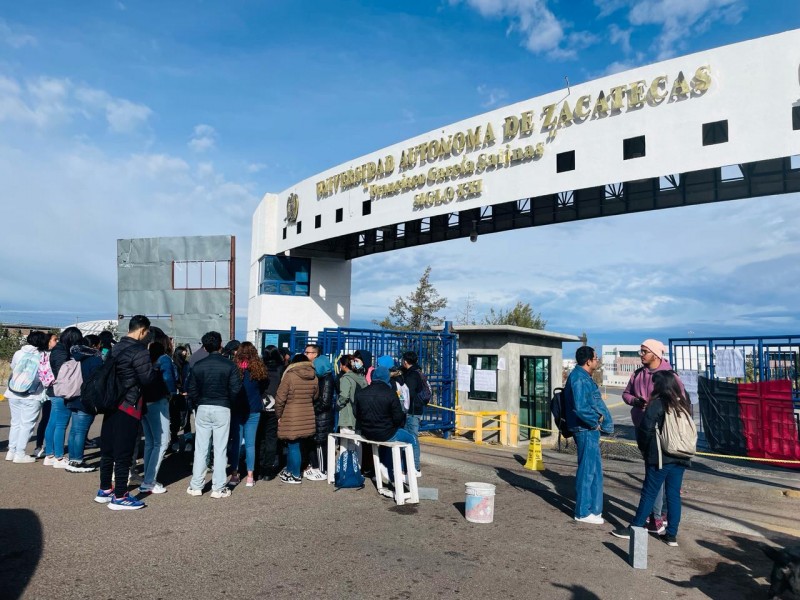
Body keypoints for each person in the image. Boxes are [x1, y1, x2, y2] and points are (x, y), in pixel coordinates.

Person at [612, 370, 692, 547]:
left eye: (655, 383)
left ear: (661, 386)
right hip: (681, 456)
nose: (653, 386)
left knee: (649, 492)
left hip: (661, 457)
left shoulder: (658, 404)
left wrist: (645, 450)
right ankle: (671, 535)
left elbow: (645, 428)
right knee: (673, 496)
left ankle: (635, 526)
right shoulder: (685, 404)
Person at [622, 338, 685, 535]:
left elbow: (681, 402)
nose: (641, 355)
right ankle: (664, 524)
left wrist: (657, 408)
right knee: (658, 479)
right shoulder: (638, 374)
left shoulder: (669, 376)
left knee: (657, 479)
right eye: (640, 351)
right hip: (644, 429)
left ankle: (656, 518)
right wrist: (635, 401)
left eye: (644, 351)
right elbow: (626, 394)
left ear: (656, 354)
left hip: (664, 434)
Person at [95, 315, 156, 510]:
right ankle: (120, 495)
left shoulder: (116, 347)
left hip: (111, 402)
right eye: (147, 333)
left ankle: (105, 489)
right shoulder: (140, 351)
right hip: (129, 404)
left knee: (108, 449)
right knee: (124, 451)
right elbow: (147, 379)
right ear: (142, 331)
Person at [186, 331, 242, 499]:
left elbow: (192, 390)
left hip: (203, 407)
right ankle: (218, 487)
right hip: (222, 407)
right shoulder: (229, 365)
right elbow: (236, 389)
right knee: (220, 448)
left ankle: (196, 485)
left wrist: (198, 402)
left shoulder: (198, 365)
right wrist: (228, 402)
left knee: (201, 448)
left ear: (205, 346)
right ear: (220, 345)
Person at [564, 345, 614, 524]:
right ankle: (583, 511)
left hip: (589, 430)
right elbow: (580, 408)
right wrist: (597, 421)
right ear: (588, 361)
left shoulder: (582, 377)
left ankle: (593, 509)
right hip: (586, 430)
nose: (597, 360)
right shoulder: (579, 379)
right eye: (596, 358)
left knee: (594, 470)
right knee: (587, 471)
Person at [354, 365, 418, 483]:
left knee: (386, 440)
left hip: (367, 433)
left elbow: (356, 414)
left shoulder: (361, 393)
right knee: (411, 439)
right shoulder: (390, 393)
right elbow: (398, 417)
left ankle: (385, 465)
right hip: (386, 433)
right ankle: (410, 471)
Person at [140, 329, 177, 494]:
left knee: (150, 441)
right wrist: (172, 393)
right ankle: (149, 481)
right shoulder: (164, 359)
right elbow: (169, 379)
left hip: (144, 402)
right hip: (158, 402)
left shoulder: (145, 357)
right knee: (162, 441)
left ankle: (147, 477)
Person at [5, 331, 50, 463]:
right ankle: (20, 453)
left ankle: (11, 451)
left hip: (13, 391)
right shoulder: (43, 355)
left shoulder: (18, 353)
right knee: (27, 425)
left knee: (15, 423)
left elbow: (13, 367)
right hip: (32, 394)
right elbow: (45, 374)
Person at [275, 354, 318, 484]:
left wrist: (279, 415)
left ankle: (295, 475)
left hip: (291, 414)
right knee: (296, 444)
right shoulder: (314, 376)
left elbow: (280, 398)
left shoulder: (290, 375)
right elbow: (315, 396)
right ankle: (289, 470)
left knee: (293, 445)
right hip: (307, 414)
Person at [43, 327, 83, 469]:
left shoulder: (58, 350)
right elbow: (63, 372)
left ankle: (49, 455)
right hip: (61, 391)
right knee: (61, 424)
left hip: (54, 391)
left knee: (53, 423)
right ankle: (59, 457)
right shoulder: (62, 352)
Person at [229, 341, 267, 487]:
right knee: (251, 444)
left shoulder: (235, 368)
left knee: (236, 443)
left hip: (237, 408)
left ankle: (234, 475)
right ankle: (250, 477)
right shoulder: (259, 369)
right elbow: (263, 387)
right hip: (254, 408)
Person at [64, 334, 103, 473]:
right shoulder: (94, 359)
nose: (100, 346)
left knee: (74, 430)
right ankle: (78, 462)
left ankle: (73, 459)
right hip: (87, 398)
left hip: (72, 396)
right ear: (94, 345)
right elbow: (99, 380)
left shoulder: (75, 356)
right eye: (99, 344)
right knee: (81, 431)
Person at [304, 349, 335, 481]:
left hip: (322, 416)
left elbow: (325, 401)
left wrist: (313, 408)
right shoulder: (320, 378)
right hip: (318, 415)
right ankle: (316, 467)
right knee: (315, 442)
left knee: (320, 443)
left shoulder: (326, 379)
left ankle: (323, 470)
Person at [256, 346, 283, 481]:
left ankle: (259, 468)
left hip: (261, 406)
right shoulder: (281, 369)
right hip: (275, 407)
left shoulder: (261, 367)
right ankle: (268, 469)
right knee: (271, 438)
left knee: (260, 438)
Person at [33, 332, 58, 458]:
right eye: (54, 340)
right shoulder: (47, 355)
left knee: (46, 419)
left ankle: (41, 447)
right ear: (48, 341)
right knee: (47, 419)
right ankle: (43, 447)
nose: (56, 342)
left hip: (43, 391)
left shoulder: (39, 354)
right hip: (47, 391)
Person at [400, 351, 425, 475]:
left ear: (405, 361)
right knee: (410, 438)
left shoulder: (411, 376)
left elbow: (408, 394)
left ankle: (414, 467)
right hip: (416, 410)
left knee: (412, 439)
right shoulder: (417, 372)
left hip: (412, 411)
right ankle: (409, 467)